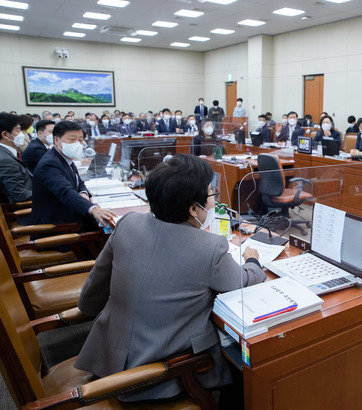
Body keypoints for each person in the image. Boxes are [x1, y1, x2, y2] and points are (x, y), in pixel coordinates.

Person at [74, 154, 265, 405]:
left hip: (108, 351)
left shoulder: (128, 223)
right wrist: (252, 260)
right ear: (193, 209)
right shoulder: (209, 247)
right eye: (211, 194)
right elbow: (243, 282)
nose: (214, 200)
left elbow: (93, 290)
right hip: (156, 375)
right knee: (245, 368)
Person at [31, 121, 116, 233]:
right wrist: (93, 209)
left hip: (70, 217)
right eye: (72, 140)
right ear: (56, 140)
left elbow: (79, 183)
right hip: (59, 228)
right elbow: (66, 192)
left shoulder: (64, 158)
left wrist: (83, 194)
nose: (78, 144)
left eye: (80, 140)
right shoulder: (50, 164)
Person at [0, 112, 32, 203]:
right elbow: (20, 195)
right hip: (25, 209)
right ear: (5, 135)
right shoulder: (5, 160)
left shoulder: (9, 152)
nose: (21, 134)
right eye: (18, 131)